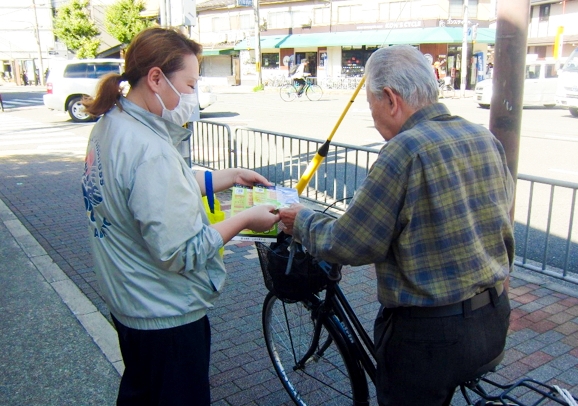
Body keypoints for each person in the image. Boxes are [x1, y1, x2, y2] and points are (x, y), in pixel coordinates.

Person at [279, 45, 514, 406]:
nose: (372, 117)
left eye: (370, 106)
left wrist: (302, 221)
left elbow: (351, 243)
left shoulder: (404, 151)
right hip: (492, 319)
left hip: (428, 339)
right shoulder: (483, 137)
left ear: (390, 98)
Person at [81, 27, 280, 405]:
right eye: (189, 85)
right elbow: (182, 251)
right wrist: (245, 219)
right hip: (166, 314)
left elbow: (147, 191)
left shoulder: (112, 124)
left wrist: (228, 177)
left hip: (131, 301)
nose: (193, 97)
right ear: (156, 78)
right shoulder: (149, 149)